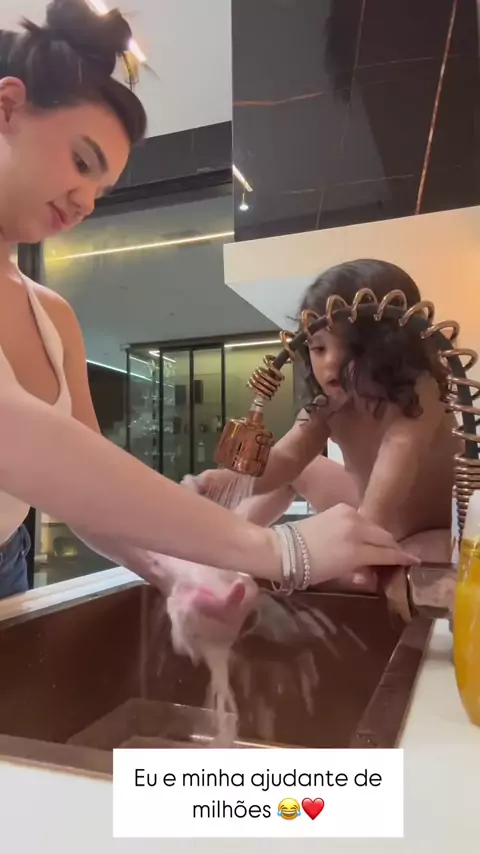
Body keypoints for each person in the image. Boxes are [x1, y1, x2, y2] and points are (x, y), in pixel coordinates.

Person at [0, 3, 418, 609]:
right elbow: (21, 441)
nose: (85, 201)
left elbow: (81, 487)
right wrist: (276, 549)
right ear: (7, 107)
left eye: (101, 189)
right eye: (82, 162)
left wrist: (179, 576)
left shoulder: (52, 316)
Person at [193, 259, 458, 588]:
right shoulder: (329, 405)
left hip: (434, 527)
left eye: (351, 347)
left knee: (412, 571)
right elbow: (286, 459)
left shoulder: (421, 390)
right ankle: (231, 547)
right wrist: (228, 482)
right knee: (301, 468)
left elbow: (398, 455)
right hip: (368, 509)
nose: (330, 362)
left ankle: (369, 558)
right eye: (318, 348)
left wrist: (362, 534)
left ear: (393, 346)